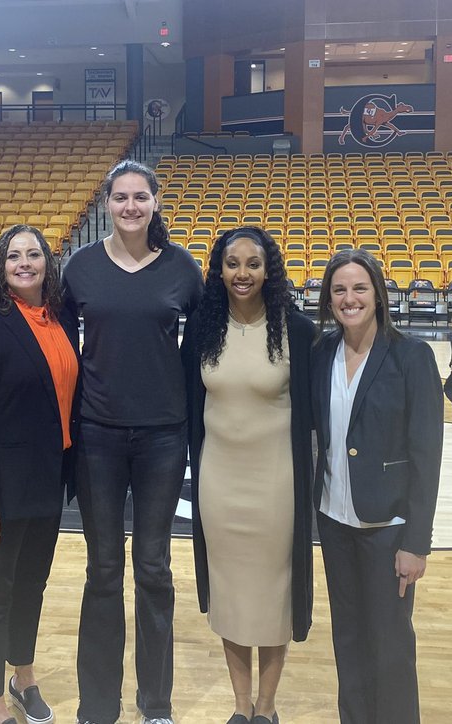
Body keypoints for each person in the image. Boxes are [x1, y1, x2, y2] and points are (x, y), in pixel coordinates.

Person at [62, 160, 202, 724]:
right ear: (107, 203)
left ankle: (156, 704)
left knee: (153, 568)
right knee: (101, 570)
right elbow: (57, 339)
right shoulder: (81, 268)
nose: (130, 207)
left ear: (155, 203)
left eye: (140, 197)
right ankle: (98, 705)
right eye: (121, 197)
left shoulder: (181, 268)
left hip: (164, 437)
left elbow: (209, 334)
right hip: (96, 433)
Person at [181, 227, 315, 724]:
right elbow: (189, 403)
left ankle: (267, 707)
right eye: (232, 263)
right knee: (231, 591)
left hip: (277, 482)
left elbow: (315, 411)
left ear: (268, 269)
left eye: (253, 263)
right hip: (219, 480)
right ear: (218, 270)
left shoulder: (296, 331)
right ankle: (240, 708)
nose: (242, 273)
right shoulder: (201, 329)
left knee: (274, 593)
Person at [0, 225, 80, 724]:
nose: (24, 263)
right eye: (13, 256)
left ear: (47, 262)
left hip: (48, 483)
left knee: (32, 587)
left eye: (33, 254)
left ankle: (23, 677)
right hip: (2, 494)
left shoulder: (60, 320)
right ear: (0, 266)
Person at [311, 249, 443, 724]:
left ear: (378, 294)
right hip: (334, 520)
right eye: (339, 290)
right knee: (347, 639)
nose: (350, 298)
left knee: (389, 644)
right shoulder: (322, 352)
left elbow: (427, 456)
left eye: (359, 288)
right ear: (329, 299)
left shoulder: (411, 355)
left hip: (388, 525)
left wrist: (415, 542)